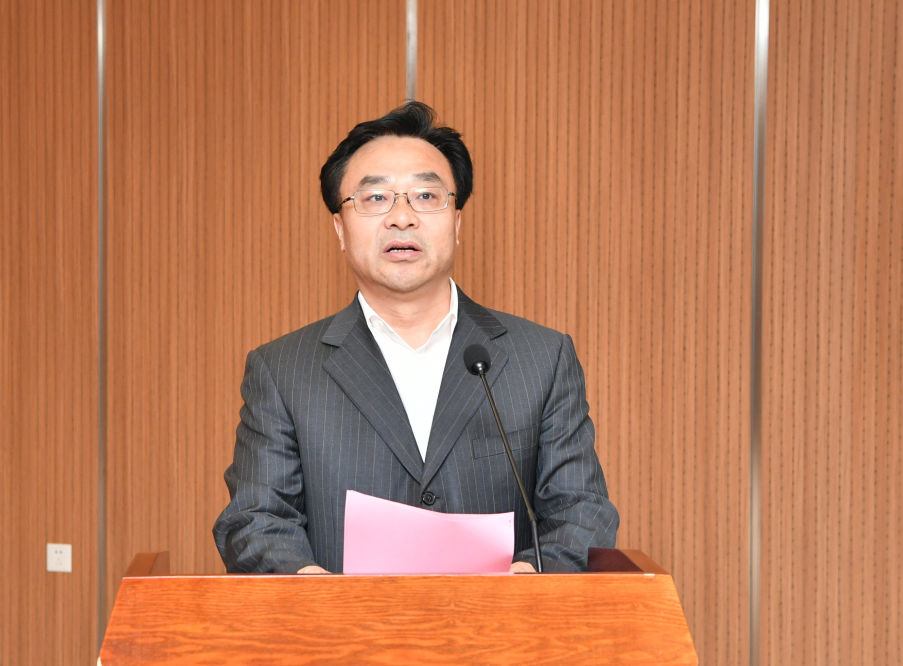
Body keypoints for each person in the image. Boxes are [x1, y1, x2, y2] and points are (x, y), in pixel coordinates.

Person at [213, 102, 618, 574]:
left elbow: (582, 511)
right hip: (341, 622)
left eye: (426, 196)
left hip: (501, 620)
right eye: (375, 198)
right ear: (340, 228)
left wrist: (523, 582)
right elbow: (256, 520)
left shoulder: (541, 358)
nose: (401, 218)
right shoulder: (282, 370)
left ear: (457, 221)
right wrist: (313, 591)